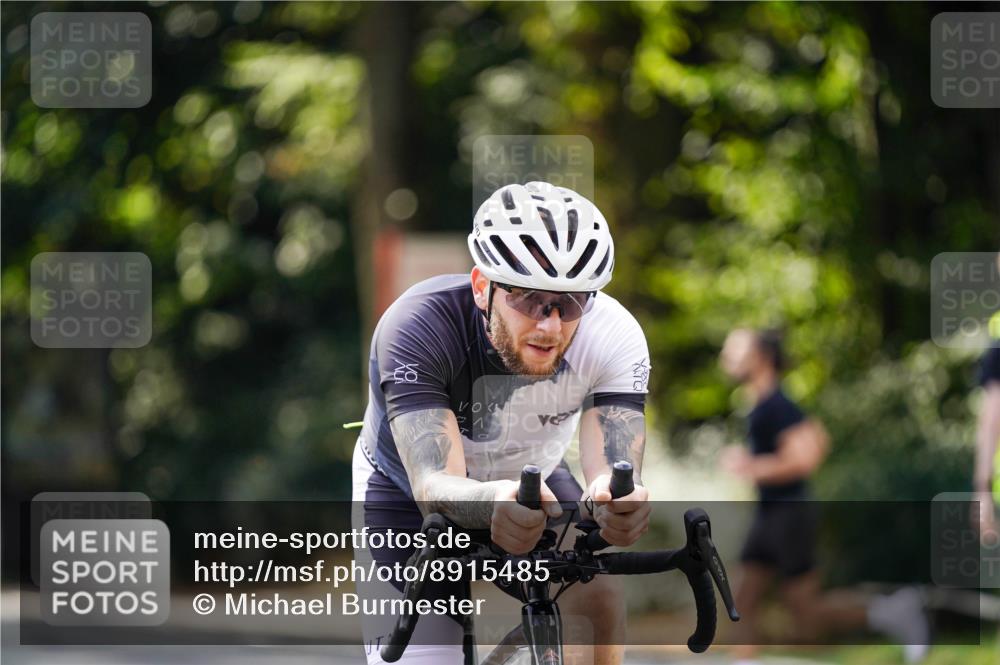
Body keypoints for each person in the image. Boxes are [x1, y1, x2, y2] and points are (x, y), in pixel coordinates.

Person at [352, 181, 652, 665]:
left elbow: (614, 470)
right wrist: (493, 500)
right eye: (529, 298)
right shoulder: (419, 324)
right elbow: (433, 484)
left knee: (597, 599)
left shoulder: (613, 334)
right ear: (481, 287)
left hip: (532, 483)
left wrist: (617, 504)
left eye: (571, 302)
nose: (550, 324)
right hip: (406, 496)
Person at [719, 328, 929, 664]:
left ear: (761, 357)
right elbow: (819, 437)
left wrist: (750, 466)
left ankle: (891, 611)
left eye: (735, 351)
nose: (726, 358)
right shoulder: (763, 402)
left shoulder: (776, 404)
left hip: (789, 513)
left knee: (806, 614)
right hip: (770, 512)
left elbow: (807, 457)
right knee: (743, 600)